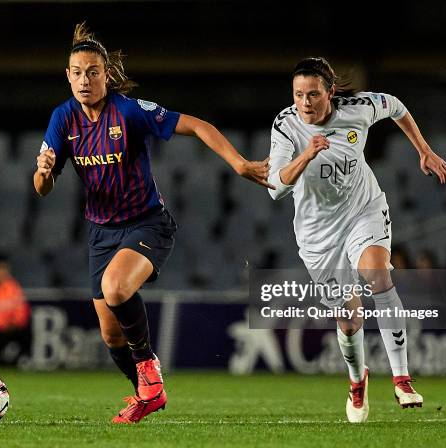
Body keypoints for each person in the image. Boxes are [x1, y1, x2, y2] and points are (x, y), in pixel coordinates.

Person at [33, 22, 272, 424]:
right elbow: (43, 187)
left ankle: (149, 370)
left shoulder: (129, 111)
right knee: (111, 335)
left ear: (106, 74)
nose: (84, 79)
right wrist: (44, 171)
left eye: (93, 71)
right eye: (76, 72)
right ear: (67, 76)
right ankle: (148, 395)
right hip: (100, 233)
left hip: (147, 224)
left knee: (116, 287)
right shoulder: (63, 119)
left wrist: (240, 163)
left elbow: (198, 125)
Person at [267, 57, 446, 423]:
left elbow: (396, 106)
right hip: (318, 234)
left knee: (376, 273)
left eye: (313, 94)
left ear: (330, 92)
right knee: (349, 320)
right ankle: (357, 380)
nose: (305, 102)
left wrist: (423, 149)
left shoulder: (359, 108)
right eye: (299, 94)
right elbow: (276, 187)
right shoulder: (285, 125)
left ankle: (402, 377)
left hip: (362, 210)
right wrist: (307, 154)